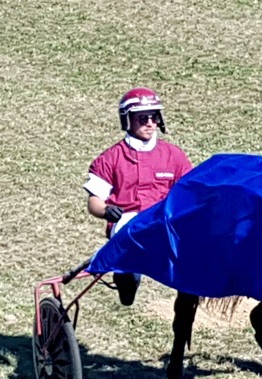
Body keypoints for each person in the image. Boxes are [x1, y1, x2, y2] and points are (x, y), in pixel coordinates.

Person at [83, 87, 193, 305]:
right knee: (130, 246)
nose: (150, 124)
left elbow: (188, 192)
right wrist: (105, 210)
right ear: (128, 121)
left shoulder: (174, 156)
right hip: (127, 223)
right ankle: (127, 279)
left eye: (154, 118)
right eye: (143, 119)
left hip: (162, 220)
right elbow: (94, 201)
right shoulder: (110, 159)